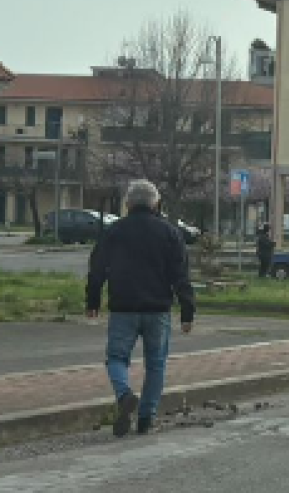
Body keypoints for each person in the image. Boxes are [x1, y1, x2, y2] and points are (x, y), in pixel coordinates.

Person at [85, 180, 196, 437]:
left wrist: (93, 300)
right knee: (156, 364)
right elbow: (180, 274)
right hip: (158, 308)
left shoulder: (114, 231)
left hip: (123, 306)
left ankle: (124, 394)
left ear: (128, 204)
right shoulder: (170, 233)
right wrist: (187, 311)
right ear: (156, 203)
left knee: (116, 358)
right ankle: (146, 418)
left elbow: (97, 268)